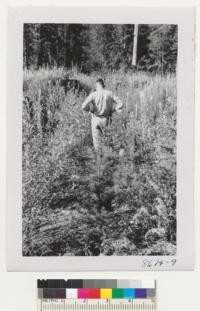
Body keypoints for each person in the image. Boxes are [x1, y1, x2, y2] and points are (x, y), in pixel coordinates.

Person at [82, 78, 123, 150]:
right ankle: (107, 158)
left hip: (95, 119)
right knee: (107, 141)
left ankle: (98, 159)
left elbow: (83, 106)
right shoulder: (110, 93)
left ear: (96, 86)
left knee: (97, 143)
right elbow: (120, 103)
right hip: (107, 119)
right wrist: (114, 110)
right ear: (103, 85)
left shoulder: (93, 94)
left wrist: (90, 110)